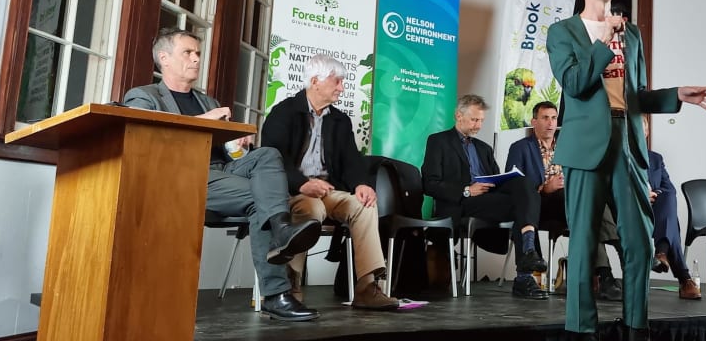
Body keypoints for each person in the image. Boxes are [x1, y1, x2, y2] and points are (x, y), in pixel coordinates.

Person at [546, 0, 706, 339]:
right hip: (583, 147)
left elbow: (636, 95)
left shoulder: (633, 33)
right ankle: (580, 328)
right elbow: (574, 84)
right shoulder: (562, 33)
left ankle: (636, 324)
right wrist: (602, 40)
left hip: (627, 142)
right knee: (584, 244)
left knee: (640, 242)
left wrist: (676, 95)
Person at [123, 28, 321, 322]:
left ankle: (280, 230)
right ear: (163, 58)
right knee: (263, 200)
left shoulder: (209, 102)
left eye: (198, 53)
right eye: (187, 53)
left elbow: (231, 156)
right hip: (180, 177)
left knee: (267, 155)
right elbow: (144, 137)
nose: (195, 59)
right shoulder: (143, 96)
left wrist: (238, 146)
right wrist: (205, 122)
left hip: (221, 173)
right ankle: (277, 294)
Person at [260, 54, 399, 310]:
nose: (342, 87)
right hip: (294, 191)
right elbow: (271, 159)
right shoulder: (284, 112)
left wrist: (361, 184)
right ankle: (290, 288)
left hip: (329, 190)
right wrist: (302, 183)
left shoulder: (340, 120)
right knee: (312, 209)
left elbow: (352, 162)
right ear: (315, 81)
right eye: (337, 82)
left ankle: (367, 288)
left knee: (364, 205)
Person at [422, 94, 549, 300]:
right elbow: (429, 183)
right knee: (524, 203)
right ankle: (525, 274)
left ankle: (527, 256)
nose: (478, 125)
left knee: (524, 186)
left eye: (481, 120)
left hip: (491, 200)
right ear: (458, 116)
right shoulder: (438, 141)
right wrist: (466, 190)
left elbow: (498, 179)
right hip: (463, 202)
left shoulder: (484, 148)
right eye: (474, 120)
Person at [504, 100, 623, 301]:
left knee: (589, 210)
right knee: (588, 207)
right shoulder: (520, 148)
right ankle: (620, 248)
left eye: (553, 118)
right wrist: (544, 187)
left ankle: (605, 276)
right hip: (538, 207)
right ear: (534, 121)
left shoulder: (567, 146)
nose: (550, 123)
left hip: (569, 205)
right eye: (544, 118)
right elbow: (514, 184)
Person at [644, 120, 702, 300]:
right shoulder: (620, 157)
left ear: (646, 133)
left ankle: (662, 253)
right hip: (630, 207)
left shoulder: (656, 158)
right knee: (671, 221)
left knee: (668, 197)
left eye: (643, 129)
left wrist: (654, 193)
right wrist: (640, 193)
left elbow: (669, 188)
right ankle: (683, 278)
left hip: (656, 207)